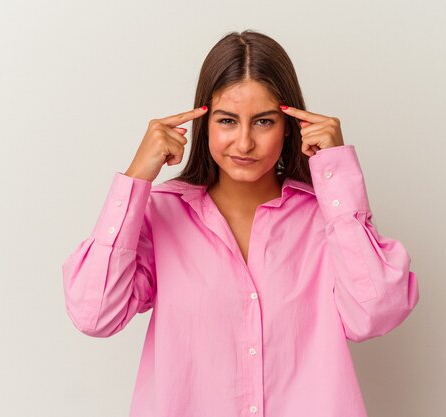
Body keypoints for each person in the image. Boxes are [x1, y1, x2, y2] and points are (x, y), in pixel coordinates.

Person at [62, 29, 419, 417]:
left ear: (289, 125)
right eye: (228, 121)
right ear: (205, 122)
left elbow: (376, 313)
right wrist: (136, 179)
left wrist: (336, 173)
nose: (244, 143)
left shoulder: (327, 218)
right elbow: (95, 314)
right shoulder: (162, 215)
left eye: (263, 122)